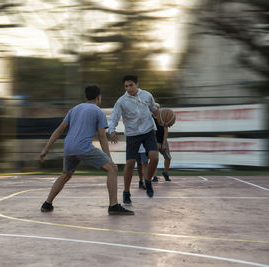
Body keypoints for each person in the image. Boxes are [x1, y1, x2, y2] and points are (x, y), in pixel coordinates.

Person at [39, 85, 134, 215]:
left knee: (66, 174)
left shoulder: (74, 109)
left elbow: (59, 130)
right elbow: (102, 136)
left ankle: (47, 204)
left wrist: (46, 148)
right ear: (99, 98)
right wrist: (109, 159)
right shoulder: (98, 111)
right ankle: (113, 205)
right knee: (113, 169)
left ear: (85, 97)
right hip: (82, 147)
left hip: (68, 147)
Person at [109, 74, 159, 203]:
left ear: (137, 84)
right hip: (132, 134)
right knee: (130, 164)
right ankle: (126, 193)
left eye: (131, 85)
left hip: (148, 131)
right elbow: (115, 116)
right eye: (126, 86)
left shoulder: (147, 95)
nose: (128, 88)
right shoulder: (121, 101)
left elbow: (154, 110)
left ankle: (147, 180)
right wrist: (112, 129)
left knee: (154, 157)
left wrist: (161, 118)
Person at [152, 103, 172, 182]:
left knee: (168, 157)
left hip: (162, 139)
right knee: (154, 159)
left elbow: (165, 130)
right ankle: (154, 176)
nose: (156, 110)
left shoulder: (163, 117)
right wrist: (155, 143)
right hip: (153, 140)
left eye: (157, 108)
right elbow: (149, 132)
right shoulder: (149, 118)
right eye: (154, 108)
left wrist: (163, 143)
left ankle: (165, 172)